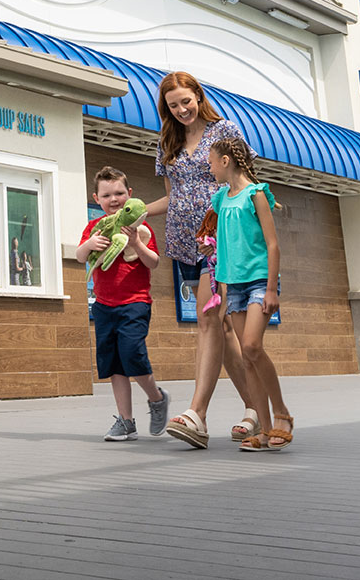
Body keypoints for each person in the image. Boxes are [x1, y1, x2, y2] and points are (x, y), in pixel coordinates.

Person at [140, 71, 258, 449]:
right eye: (173, 105)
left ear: (198, 96)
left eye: (185, 101)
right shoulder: (168, 142)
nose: (181, 110)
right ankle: (256, 409)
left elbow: (248, 184)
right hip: (185, 244)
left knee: (209, 318)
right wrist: (136, 212)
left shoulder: (225, 131)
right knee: (220, 328)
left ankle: (197, 415)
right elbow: (174, 197)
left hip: (220, 239)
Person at [208, 131, 294, 452]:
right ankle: (264, 427)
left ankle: (282, 413)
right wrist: (222, 293)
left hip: (260, 281)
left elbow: (272, 244)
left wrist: (272, 288)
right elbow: (225, 249)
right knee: (247, 357)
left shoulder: (256, 195)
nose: (211, 169)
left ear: (226, 161)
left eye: (212, 164)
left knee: (253, 346)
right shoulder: (221, 199)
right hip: (234, 288)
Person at [79, 166, 168, 442]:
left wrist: (135, 243)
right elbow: (80, 256)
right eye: (107, 195)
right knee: (114, 365)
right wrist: (90, 244)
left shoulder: (141, 228)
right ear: (97, 198)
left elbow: (153, 262)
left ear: (130, 195)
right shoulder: (95, 228)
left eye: (119, 193)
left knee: (132, 353)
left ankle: (156, 398)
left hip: (135, 302)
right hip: (104, 305)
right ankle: (126, 421)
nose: (114, 199)